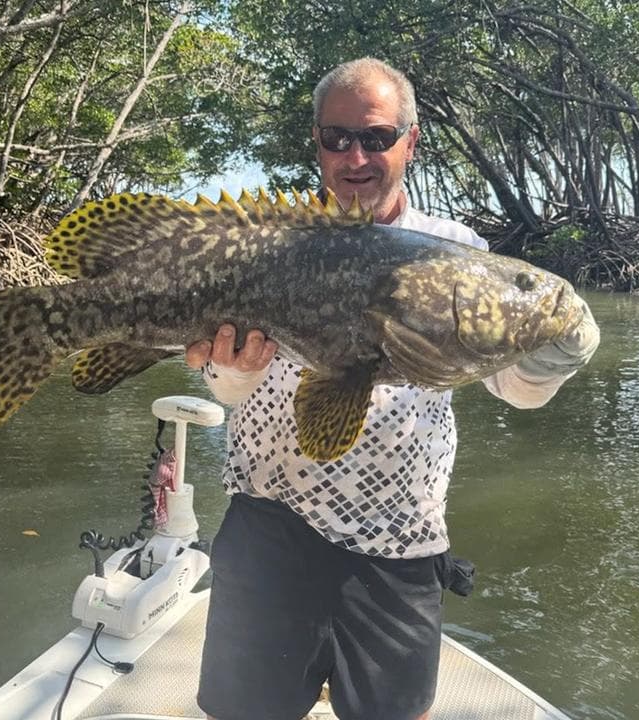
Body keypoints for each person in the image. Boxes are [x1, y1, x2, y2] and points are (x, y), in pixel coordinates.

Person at [188, 57, 600, 720]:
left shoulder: (453, 250)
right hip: (268, 528)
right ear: (317, 143)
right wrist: (231, 367)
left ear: (411, 141)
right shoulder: (262, 245)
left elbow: (515, 391)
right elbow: (229, 394)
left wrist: (552, 355)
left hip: (400, 540)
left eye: (377, 137)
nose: (356, 156)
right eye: (337, 137)